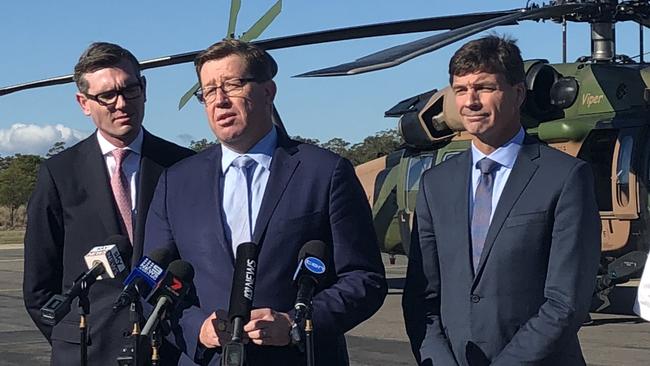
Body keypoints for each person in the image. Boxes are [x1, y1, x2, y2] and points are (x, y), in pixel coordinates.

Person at [143, 38, 387, 366]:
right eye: (209, 91)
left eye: (232, 85)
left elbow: (364, 278)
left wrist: (296, 324)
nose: (220, 100)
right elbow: (151, 278)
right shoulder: (176, 182)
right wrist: (196, 328)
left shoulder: (325, 172)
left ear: (268, 91)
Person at [402, 35, 601, 366]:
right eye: (461, 90)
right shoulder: (436, 184)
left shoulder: (565, 177)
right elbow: (422, 296)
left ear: (518, 94)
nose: (471, 101)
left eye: (485, 88)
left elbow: (564, 303)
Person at [22, 42, 194, 366]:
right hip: (87, 352)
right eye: (107, 96)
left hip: (171, 350)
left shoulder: (183, 166)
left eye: (130, 90)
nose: (121, 103)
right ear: (84, 103)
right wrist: (71, 340)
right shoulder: (59, 174)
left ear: (144, 89)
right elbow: (38, 287)